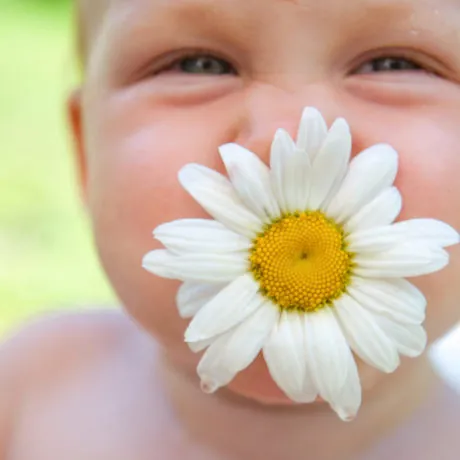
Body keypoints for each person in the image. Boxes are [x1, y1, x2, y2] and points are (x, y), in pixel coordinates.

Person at [1, 0, 460, 458]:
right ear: (86, 153)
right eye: (199, 65)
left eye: (394, 64)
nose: (295, 131)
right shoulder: (26, 391)